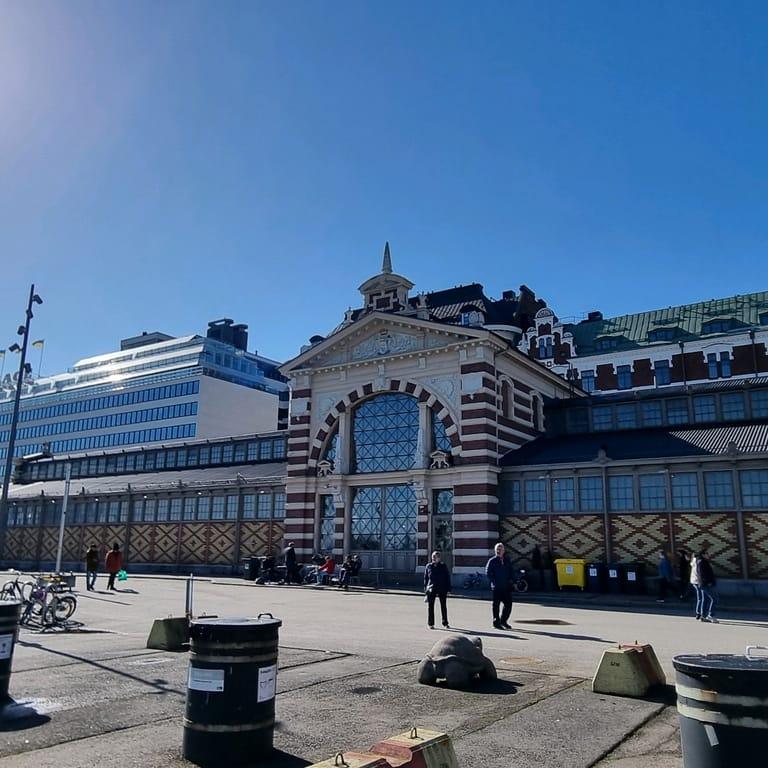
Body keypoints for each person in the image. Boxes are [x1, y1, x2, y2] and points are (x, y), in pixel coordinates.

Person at [485, 542, 515, 629]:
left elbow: (511, 571)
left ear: (503, 551)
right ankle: (496, 622)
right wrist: (494, 582)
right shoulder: (492, 561)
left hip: (506, 587)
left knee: (508, 605)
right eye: (497, 549)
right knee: (496, 605)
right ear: (495, 551)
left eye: (500, 549)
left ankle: (503, 621)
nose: (499, 551)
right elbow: (488, 573)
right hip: (497, 587)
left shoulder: (507, 560)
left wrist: (513, 581)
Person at [424, 551, 451, 629]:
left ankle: (445, 622)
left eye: (436, 557)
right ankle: (431, 623)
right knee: (430, 606)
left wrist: (448, 588)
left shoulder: (443, 566)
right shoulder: (429, 566)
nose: (434, 558)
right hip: (432, 588)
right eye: (433, 557)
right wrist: (425, 589)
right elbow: (426, 578)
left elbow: (447, 577)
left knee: (443, 606)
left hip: (442, 588)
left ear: (439, 558)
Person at [691, 551, 717, 622]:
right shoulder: (702, 562)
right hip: (704, 584)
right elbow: (702, 574)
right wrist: (708, 582)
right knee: (714, 599)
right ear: (703, 554)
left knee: (704, 599)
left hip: (701, 583)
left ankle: (703, 616)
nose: (708, 555)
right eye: (707, 554)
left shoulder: (702, 562)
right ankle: (710, 615)